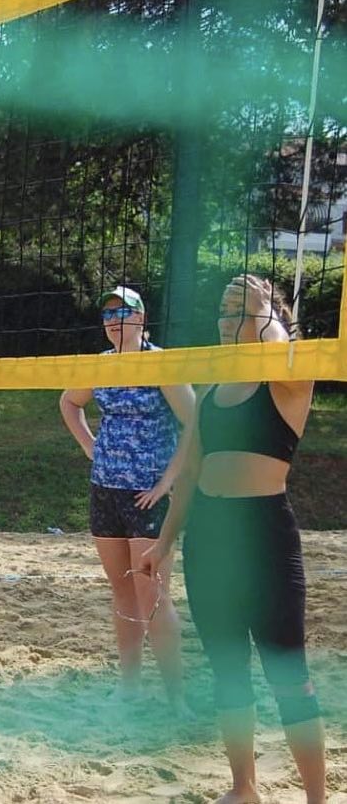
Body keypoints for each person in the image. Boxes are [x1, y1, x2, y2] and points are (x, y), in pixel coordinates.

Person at [142, 275, 325, 804]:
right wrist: (165, 543)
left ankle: (317, 798)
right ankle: (244, 788)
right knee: (227, 672)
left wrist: (267, 308)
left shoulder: (290, 378)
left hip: (264, 534)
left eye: (240, 308)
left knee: (287, 673)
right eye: (222, 310)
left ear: (271, 318)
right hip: (210, 539)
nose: (227, 319)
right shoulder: (212, 394)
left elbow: (279, 350)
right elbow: (192, 474)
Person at [59, 286, 194, 708]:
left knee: (152, 594)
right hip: (106, 490)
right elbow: (68, 402)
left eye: (123, 313)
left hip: (147, 495)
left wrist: (167, 480)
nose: (114, 321)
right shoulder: (100, 366)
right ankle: (129, 686)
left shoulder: (160, 363)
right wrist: (89, 445)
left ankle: (177, 698)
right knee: (122, 591)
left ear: (141, 319)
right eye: (108, 315)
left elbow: (195, 423)